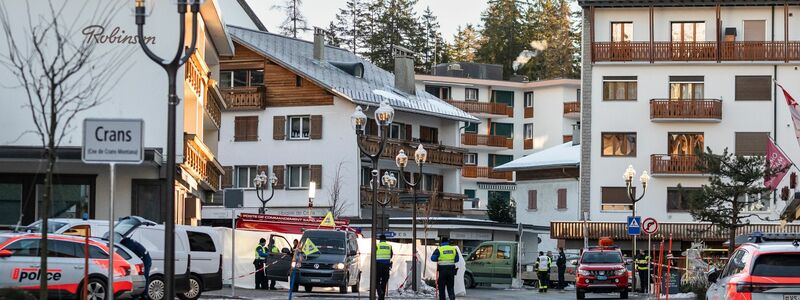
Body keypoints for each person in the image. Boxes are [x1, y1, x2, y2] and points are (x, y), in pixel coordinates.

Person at [375, 234, 393, 300]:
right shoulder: (389, 246)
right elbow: (391, 255)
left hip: (378, 265)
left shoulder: (377, 245)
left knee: (376, 280)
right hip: (386, 266)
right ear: (385, 240)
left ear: (380, 240)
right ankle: (381, 297)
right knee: (384, 281)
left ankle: (380, 292)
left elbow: (374, 255)